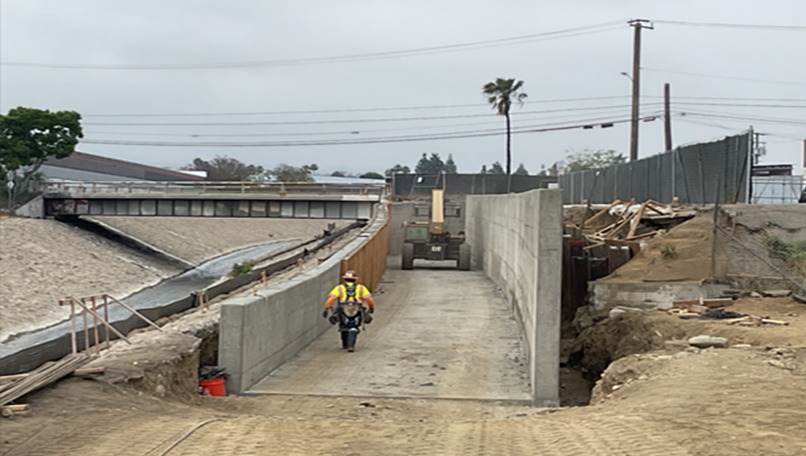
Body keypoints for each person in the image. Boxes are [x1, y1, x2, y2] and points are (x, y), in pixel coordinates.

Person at [323, 270, 375, 351]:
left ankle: (345, 343)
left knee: (343, 324)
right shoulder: (361, 288)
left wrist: (326, 308)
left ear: (344, 279)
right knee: (354, 325)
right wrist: (371, 307)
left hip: (343, 308)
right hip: (357, 308)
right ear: (355, 279)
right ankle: (351, 344)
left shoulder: (339, 288)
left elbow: (331, 299)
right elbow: (369, 299)